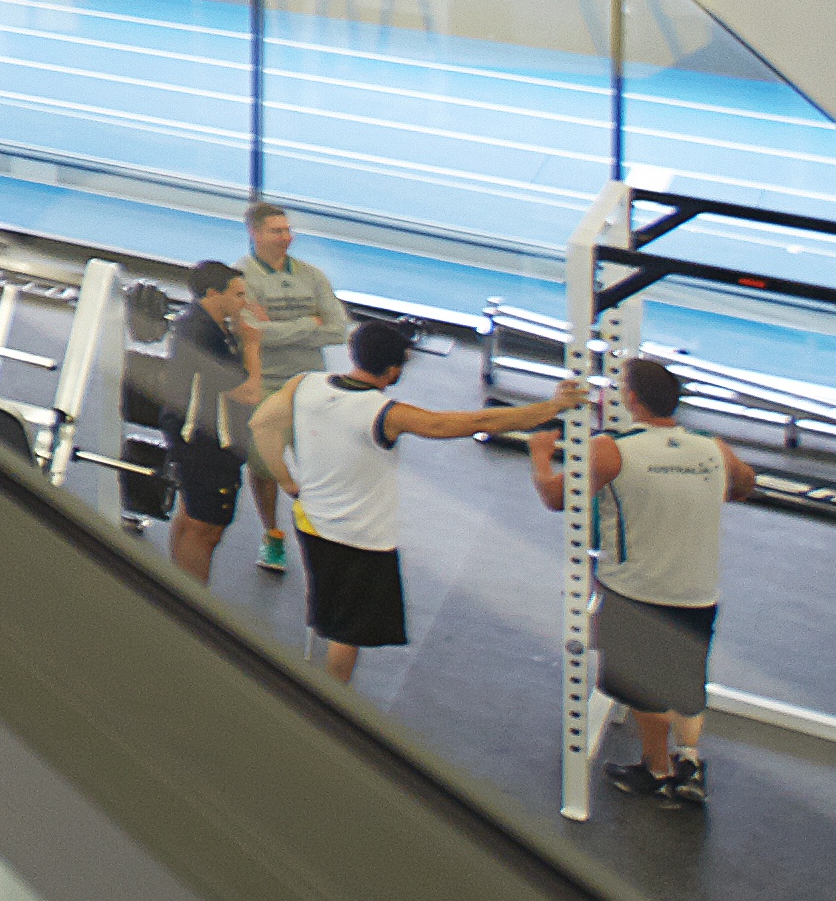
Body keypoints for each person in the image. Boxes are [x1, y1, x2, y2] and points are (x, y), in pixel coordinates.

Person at [251, 323, 574, 684]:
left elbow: (261, 423)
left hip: (310, 521)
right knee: (347, 633)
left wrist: (287, 480)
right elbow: (476, 421)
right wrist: (552, 407)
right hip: (357, 540)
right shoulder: (386, 413)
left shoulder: (304, 384)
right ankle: (329, 699)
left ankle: (318, 686)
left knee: (326, 606)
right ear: (393, 370)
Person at [535, 355, 751, 802]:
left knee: (644, 691)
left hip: (636, 592)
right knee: (687, 685)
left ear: (631, 399)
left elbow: (557, 497)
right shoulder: (712, 447)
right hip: (697, 591)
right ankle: (689, 761)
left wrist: (539, 456)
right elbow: (744, 485)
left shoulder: (612, 450)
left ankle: (658, 772)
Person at [221, 202, 347, 575]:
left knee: (317, 461)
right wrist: (309, 323)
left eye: (287, 230)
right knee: (264, 464)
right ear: (255, 234)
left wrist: (277, 329)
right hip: (266, 384)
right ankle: (272, 535)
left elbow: (338, 330)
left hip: (311, 383)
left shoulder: (312, 276)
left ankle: (322, 535)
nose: (285, 238)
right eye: (277, 231)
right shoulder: (240, 279)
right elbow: (252, 334)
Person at [156, 256, 267, 586]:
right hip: (207, 444)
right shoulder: (205, 335)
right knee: (206, 530)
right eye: (238, 294)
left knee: (191, 516)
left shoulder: (204, 325)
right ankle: (190, 601)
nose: (244, 302)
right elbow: (248, 391)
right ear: (213, 294)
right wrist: (253, 345)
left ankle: (175, 589)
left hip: (192, 437)